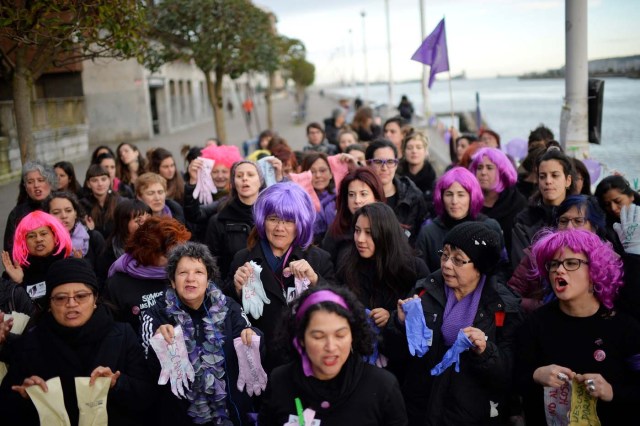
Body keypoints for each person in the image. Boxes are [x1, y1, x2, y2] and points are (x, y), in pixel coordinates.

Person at [386, 222, 524, 425]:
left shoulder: (503, 307)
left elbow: (509, 374)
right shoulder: (425, 292)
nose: (447, 264)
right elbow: (397, 355)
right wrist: (399, 324)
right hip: (419, 410)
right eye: (445, 255)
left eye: (458, 260)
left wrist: (486, 351)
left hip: (472, 415)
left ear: (480, 268)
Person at [0, 257, 155, 425]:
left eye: (81, 296)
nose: (71, 304)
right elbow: (6, 409)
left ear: (95, 299)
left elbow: (147, 397)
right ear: (49, 304)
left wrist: (117, 383)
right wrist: (25, 396)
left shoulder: (122, 336)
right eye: (60, 298)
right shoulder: (30, 343)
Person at [515, 229, 640, 424]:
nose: (559, 270)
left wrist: (611, 391)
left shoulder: (624, 327)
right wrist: (536, 375)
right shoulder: (535, 324)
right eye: (553, 264)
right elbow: (513, 381)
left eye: (571, 263)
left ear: (595, 271)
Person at [140, 242, 261, 425]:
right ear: (173, 281)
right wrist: (158, 344)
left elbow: (249, 337)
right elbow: (147, 368)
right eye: (182, 273)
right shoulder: (155, 314)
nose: (190, 279)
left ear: (208, 279)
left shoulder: (229, 307)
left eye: (198, 272)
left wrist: (252, 335)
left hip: (228, 414)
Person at [259, 285, 408, 426]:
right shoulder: (280, 381)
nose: (330, 347)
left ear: (353, 336)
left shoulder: (383, 386)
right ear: (301, 338)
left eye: (340, 335)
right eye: (318, 336)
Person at [229, 182, 336, 369]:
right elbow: (226, 311)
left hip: (304, 358)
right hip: (259, 360)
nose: (280, 228)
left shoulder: (319, 259)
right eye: (273, 219)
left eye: (288, 221)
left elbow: (337, 306)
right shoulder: (243, 258)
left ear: (300, 223)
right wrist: (235, 289)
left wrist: (316, 281)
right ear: (262, 220)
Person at [508, 195, 608, 313]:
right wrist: (544, 308)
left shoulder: (608, 260)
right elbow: (511, 297)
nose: (569, 227)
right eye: (563, 221)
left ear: (594, 227)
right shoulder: (536, 255)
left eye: (578, 221)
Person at [104, 216, 191, 334]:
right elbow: (113, 330)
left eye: (179, 252)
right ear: (148, 253)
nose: (176, 259)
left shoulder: (185, 274)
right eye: (168, 255)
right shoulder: (118, 283)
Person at [416, 167, 504, 272]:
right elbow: (421, 276)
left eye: (461, 195)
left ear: (472, 197)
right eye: (449, 194)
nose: (454, 201)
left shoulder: (490, 227)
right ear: (441, 197)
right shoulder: (428, 233)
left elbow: (501, 269)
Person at [511, 147, 575, 267]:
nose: (548, 181)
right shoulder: (525, 220)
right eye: (542, 176)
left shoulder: (581, 216)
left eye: (555, 175)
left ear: (568, 180)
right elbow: (522, 266)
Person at [2, 210, 72, 311]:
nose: (38, 239)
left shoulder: (70, 266)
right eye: (31, 236)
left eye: (43, 234)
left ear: (55, 236)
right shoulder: (16, 273)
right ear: (24, 242)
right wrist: (18, 283)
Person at [205, 160, 264, 280]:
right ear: (233, 183)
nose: (244, 179)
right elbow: (211, 264)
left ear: (260, 181)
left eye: (250, 174)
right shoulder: (218, 221)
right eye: (239, 176)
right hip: (233, 292)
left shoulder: (272, 217)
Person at [365, 139, 429, 246]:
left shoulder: (413, 196)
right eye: (378, 162)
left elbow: (419, 240)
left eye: (390, 162)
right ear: (368, 164)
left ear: (396, 164)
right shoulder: (360, 197)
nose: (384, 168)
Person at [322, 167, 386, 266]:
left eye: (363, 194)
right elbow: (325, 270)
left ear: (376, 197)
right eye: (351, 195)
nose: (357, 200)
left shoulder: (389, 227)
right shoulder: (335, 231)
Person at [469, 147, 526, 255]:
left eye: (489, 168)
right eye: (479, 167)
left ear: (502, 172)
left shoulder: (517, 203)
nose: (483, 172)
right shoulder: (468, 202)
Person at [95, 199, 151, 288]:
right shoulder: (109, 252)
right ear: (124, 224)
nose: (145, 224)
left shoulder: (158, 243)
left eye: (148, 218)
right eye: (138, 221)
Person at [4, 161, 57, 255]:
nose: (36, 185)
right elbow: (10, 249)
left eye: (41, 180)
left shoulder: (61, 206)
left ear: (50, 183)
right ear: (25, 186)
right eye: (30, 182)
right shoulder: (17, 213)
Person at [44, 191, 105, 271]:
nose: (64, 216)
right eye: (56, 212)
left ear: (76, 213)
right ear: (47, 216)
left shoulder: (93, 238)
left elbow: (104, 275)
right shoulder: (44, 242)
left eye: (68, 211)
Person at [300, 152, 338, 244]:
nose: (318, 175)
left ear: (331, 173)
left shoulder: (342, 198)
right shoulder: (300, 201)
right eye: (312, 172)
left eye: (322, 170)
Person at [80, 164, 121, 239]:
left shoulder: (120, 202)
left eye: (103, 179)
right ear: (88, 184)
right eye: (95, 180)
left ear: (109, 180)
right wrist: (89, 230)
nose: (100, 184)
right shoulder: (82, 205)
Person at [397, 131, 436, 198]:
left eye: (419, 147)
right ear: (404, 151)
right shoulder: (396, 176)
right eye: (409, 148)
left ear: (426, 151)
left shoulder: (432, 180)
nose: (414, 151)